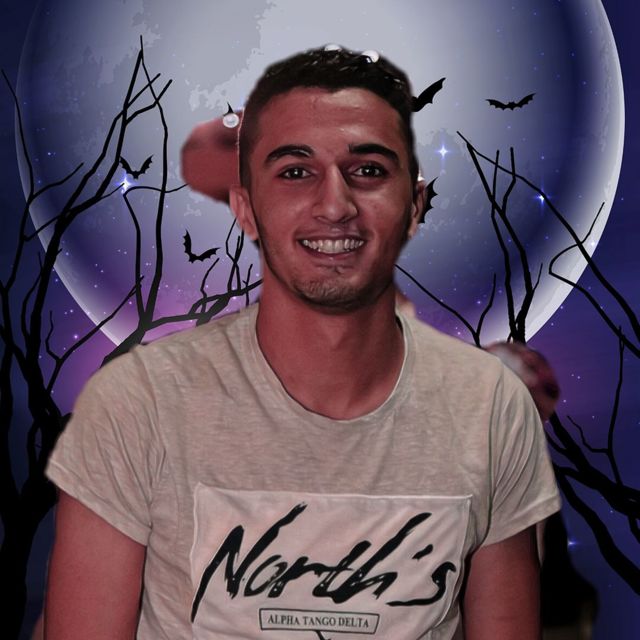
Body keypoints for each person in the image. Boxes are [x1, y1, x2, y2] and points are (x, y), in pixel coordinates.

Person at [44, 46, 561, 639]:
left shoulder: (491, 407)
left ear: (415, 205)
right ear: (246, 209)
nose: (335, 205)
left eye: (368, 170)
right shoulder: (137, 403)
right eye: (295, 172)